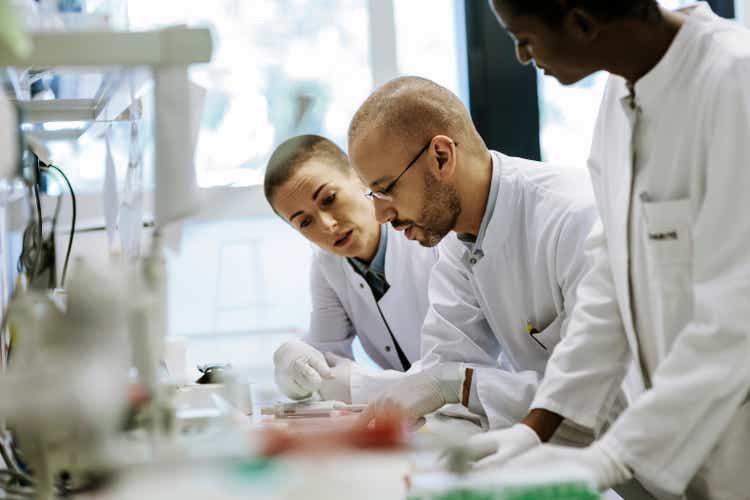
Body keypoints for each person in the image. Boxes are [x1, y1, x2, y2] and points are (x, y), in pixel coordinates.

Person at [469, 1, 750, 498]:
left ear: (582, 22)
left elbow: (737, 317)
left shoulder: (735, 82)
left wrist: (615, 455)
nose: (519, 55)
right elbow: (611, 275)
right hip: (686, 450)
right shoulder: (622, 91)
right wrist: (536, 427)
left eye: (525, 37)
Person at [348, 76, 604, 440]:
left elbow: (600, 397)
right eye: (373, 196)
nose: (380, 216)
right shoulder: (460, 241)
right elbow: (444, 369)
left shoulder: (573, 218)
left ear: (441, 156)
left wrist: (462, 385)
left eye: (387, 190)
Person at [264, 135, 438, 404]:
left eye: (329, 199)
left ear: (358, 176)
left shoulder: (430, 236)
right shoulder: (327, 265)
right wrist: (296, 366)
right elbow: (326, 364)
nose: (326, 224)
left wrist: (363, 386)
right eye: (305, 221)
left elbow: (457, 371)